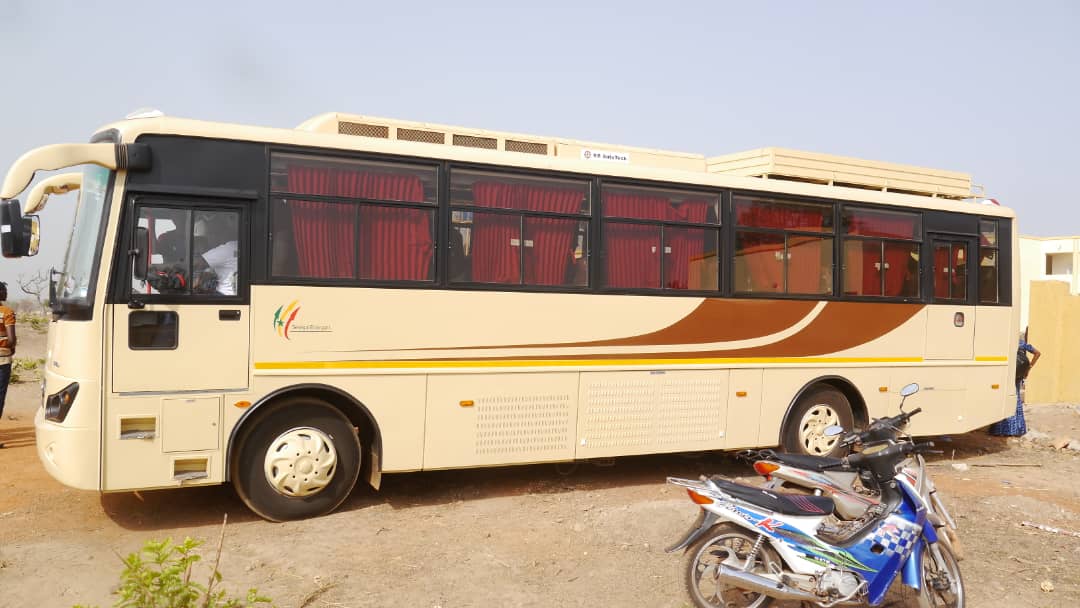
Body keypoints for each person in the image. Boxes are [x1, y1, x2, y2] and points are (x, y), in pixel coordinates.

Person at [989, 331, 1041, 436]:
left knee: (1003, 398)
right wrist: (1029, 368)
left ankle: (1001, 430)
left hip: (1006, 375)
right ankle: (1017, 429)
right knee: (1015, 399)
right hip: (1018, 375)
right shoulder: (1021, 343)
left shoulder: (1004, 344)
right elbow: (1037, 353)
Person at [0, 282, 16, 448]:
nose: (5, 293)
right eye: (3, 290)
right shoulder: (7, 312)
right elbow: (11, 339)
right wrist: (11, 348)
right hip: (2, 360)